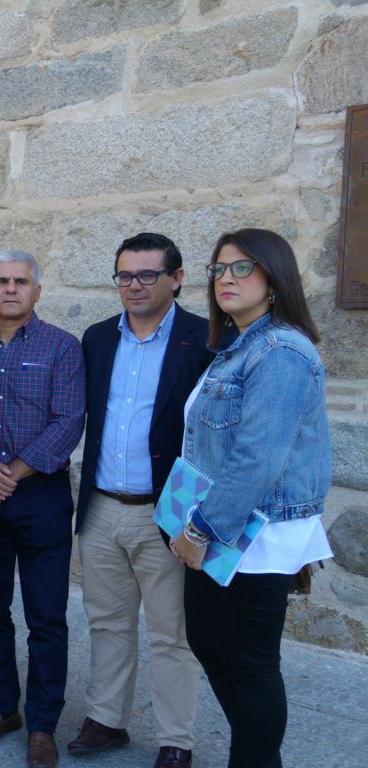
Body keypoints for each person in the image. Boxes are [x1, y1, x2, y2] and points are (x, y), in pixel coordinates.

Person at [172, 228, 332, 768]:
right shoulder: (237, 348)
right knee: (210, 644)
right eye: (218, 269)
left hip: (253, 533)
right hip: (221, 524)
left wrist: (200, 531)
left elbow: (258, 458)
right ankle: (258, 754)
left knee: (251, 664)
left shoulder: (282, 351)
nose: (226, 279)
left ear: (274, 277)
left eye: (242, 268)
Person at [70, 233, 210, 768]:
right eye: (125, 275)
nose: (134, 285)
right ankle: (107, 720)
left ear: (176, 278)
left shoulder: (203, 338)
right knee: (107, 621)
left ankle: (178, 739)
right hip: (103, 505)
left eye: (148, 274)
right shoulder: (98, 337)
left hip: (168, 508)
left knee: (173, 632)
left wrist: (193, 519)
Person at [0, 251, 84, 768]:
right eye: (0, 281)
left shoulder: (62, 347)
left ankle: (42, 723)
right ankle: (1, 707)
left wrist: (9, 473)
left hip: (39, 498)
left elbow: (69, 421)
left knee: (46, 616)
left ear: (37, 292)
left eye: (21, 282)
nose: (10, 289)